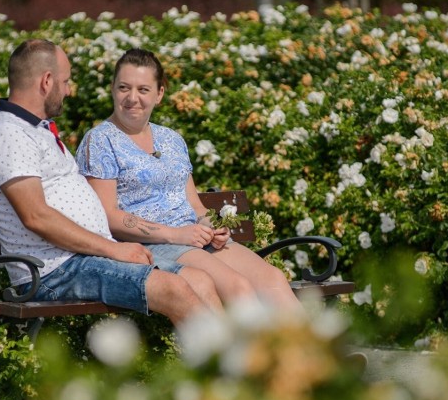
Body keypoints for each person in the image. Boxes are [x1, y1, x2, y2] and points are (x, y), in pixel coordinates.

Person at [0, 39, 222, 325]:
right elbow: (36, 216)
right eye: (65, 81)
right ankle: (220, 367)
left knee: (199, 281)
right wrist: (114, 248)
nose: (68, 90)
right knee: (173, 288)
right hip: (54, 270)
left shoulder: (36, 130)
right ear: (46, 81)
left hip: (85, 259)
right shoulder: (8, 133)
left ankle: (229, 368)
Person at [76, 48, 302, 311]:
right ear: (113, 89)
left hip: (193, 239)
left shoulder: (172, 139)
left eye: (143, 89)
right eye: (124, 87)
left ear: (159, 94)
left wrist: (213, 227)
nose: (132, 98)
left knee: (272, 280)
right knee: (237, 287)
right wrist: (176, 234)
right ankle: (264, 354)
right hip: (153, 246)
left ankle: (313, 353)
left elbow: (195, 207)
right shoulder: (101, 140)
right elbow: (108, 216)